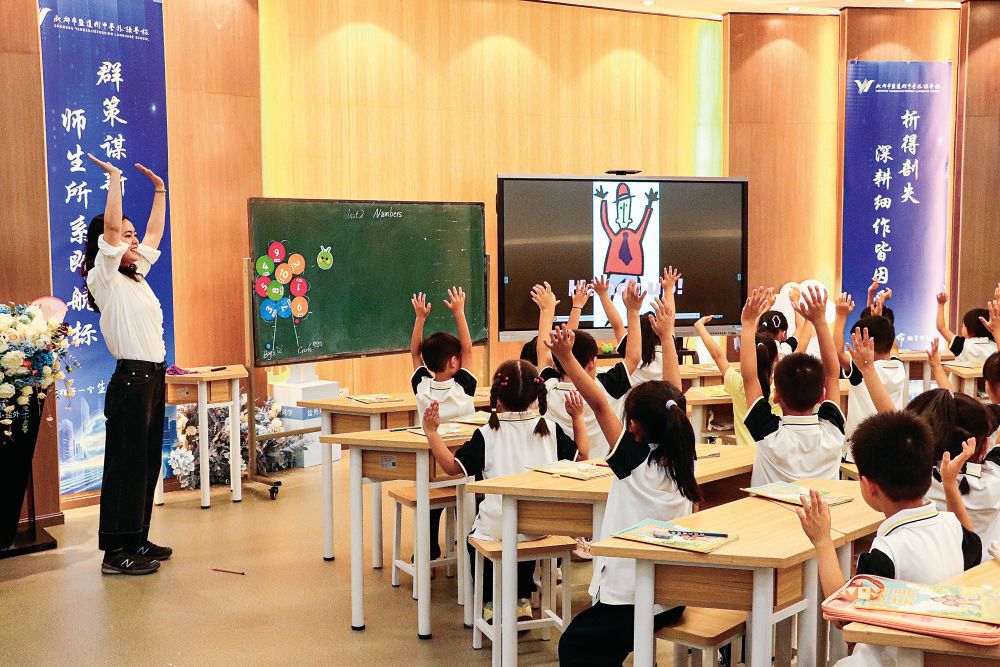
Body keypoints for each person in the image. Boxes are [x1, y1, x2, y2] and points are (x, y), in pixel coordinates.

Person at [548, 306, 699, 667]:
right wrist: (667, 337)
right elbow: (674, 395)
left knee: (572, 646)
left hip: (630, 597)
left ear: (633, 427)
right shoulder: (684, 457)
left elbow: (598, 403)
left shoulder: (632, 462)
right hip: (671, 595)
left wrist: (566, 357)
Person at [797, 411, 982, 666]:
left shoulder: (886, 551)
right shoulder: (952, 527)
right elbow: (973, 545)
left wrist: (822, 541)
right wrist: (949, 485)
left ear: (869, 486)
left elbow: (844, 617)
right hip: (940, 657)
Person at [421, 360, 587, 622]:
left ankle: (491, 602)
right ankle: (522, 598)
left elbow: (452, 467)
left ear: (497, 396)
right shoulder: (550, 429)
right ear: (536, 396)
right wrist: (577, 417)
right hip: (543, 524)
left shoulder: (487, 433)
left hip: (499, 525)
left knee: (479, 538)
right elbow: (583, 455)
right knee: (524, 532)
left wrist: (432, 432)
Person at [81, 154, 169, 575]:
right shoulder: (105, 277)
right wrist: (115, 179)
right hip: (131, 380)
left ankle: (137, 538)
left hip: (153, 378)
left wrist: (160, 191)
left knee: (147, 463)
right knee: (126, 467)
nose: (134, 242)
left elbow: (153, 233)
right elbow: (113, 231)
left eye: (133, 237)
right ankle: (115, 553)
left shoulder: (137, 276)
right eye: (126, 237)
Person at [742, 286, 845, 485]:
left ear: (776, 396)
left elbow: (749, 378)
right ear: (822, 397)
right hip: (824, 506)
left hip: (772, 508)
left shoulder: (769, 434)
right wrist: (820, 321)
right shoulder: (833, 432)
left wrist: (747, 324)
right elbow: (833, 375)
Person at [533, 280, 640, 459]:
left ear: (556, 363)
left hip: (558, 470)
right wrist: (633, 312)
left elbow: (544, 351)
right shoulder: (606, 385)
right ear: (592, 363)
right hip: (603, 470)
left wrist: (547, 310)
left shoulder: (548, 387)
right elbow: (634, 357)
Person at [409, 287, 477, 562]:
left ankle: (428, 547)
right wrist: (459, 312)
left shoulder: (421, 387)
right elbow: (468, 348)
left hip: (433, 466)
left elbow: (414, 353)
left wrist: (420, 319)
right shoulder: (463, 386)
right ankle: (469, 543)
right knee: (469, 493)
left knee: (432, 495)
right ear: (454, 361)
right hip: (464, 465)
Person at [908, 389, 1000, 560]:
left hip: (937, 571)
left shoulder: (918, 481)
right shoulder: (995, 478)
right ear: (984, 446)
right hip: (991, 572)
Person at [693, 315, 780, 447]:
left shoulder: (737, 382)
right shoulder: (781, 387)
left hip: (745, 455)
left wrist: (700, 326)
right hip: (774, 453)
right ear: (777, 358)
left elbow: (718, 356)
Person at [834, 306, 907, 450]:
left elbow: (837, 353)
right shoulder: (899, 367)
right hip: (889, 446)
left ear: (867, 344)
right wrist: (880, 319)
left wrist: (841, 315)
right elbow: (893, 347)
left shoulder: (861, 369)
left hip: (858, 449)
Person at [595, 268, 682, 386]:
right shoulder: (668, 347)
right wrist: (669, 288)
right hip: (662, 398)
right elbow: (670, 319)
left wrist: (603, 294)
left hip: (634, 398)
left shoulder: (630, 349)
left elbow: (617, 325)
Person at [937, 292, 998, 363]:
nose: (962, 328)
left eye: (963, 326)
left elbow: (941, 327)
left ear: (971, 329)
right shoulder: (996, 344)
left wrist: (941, 304)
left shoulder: (961, 344)